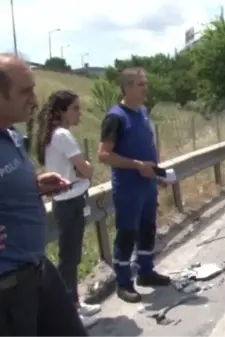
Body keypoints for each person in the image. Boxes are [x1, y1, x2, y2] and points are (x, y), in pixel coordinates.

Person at [0, 54, 88, 337]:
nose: (34, 98)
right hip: (9, 289)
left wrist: (35, 185)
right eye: (25, 91)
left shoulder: (11, 134)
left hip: (38, 269)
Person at [97, 67, 170, 303]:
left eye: (145, 83)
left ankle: (146, 272)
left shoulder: (143, 112)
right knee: (127, 233)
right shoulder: (115, 117)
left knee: (148, 229)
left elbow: (148, 145)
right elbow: (104, 155)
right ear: (127, 87)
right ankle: (123, 282)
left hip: (147, 185)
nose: (145, 88)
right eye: (140, 84)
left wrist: (158, 173)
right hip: (128, 187)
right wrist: (137, 165)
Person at [31, 90, 100, 328]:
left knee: (71, 256)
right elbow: (86, 169)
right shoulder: (62, 135)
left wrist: (83, 169)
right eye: (75, 108)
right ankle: (69, 311)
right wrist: (86, 168)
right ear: (62, 112)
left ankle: (75, 303)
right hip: (70, 201)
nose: (79, 113)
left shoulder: (55, 134)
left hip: (68, 200)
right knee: (69, 259)